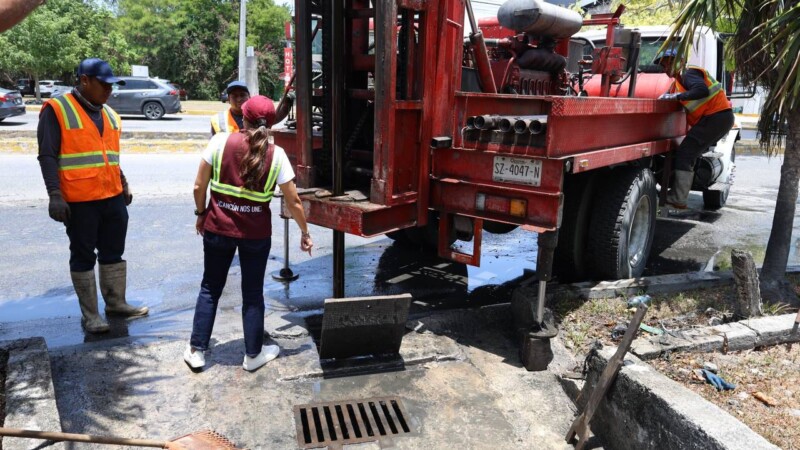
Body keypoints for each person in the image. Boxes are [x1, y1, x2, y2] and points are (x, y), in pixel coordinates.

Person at [186, 95, 314, 372]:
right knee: (253, 293)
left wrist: (200, 215)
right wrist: (305, 232)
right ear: (270, 122)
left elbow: (199, 187)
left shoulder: (220, 142)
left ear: (242, 117)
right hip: (255, 235)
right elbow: (293, 201)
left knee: (210, 287)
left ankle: (197, 351)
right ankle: (253, 355)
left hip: (217, 228)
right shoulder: (276, 154)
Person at [37, 58, 149, 334]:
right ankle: (91, 316)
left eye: (111, 85)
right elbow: (47, 155)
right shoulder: (57, 109)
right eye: (103, 85)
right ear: (84, 80)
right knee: (83, 254)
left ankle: (116, 303)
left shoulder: (110, 114)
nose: (109, 90)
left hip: (111, 195)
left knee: (114, 251)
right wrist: (54, 194)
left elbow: (109, 155)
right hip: (78, 198)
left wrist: (123, 181)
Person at [655, 48, 735, 209]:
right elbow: (665, 97)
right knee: (688, 153)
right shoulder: (678, 81)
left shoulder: (688, 73)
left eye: (667, 63)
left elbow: (701, 90)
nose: (665, 68)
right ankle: (677, 196)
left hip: (716, 117)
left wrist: (676, 97)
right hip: (716, 118)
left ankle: (678, 198)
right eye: (663, 65)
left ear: (679, 61)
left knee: (686, 153)